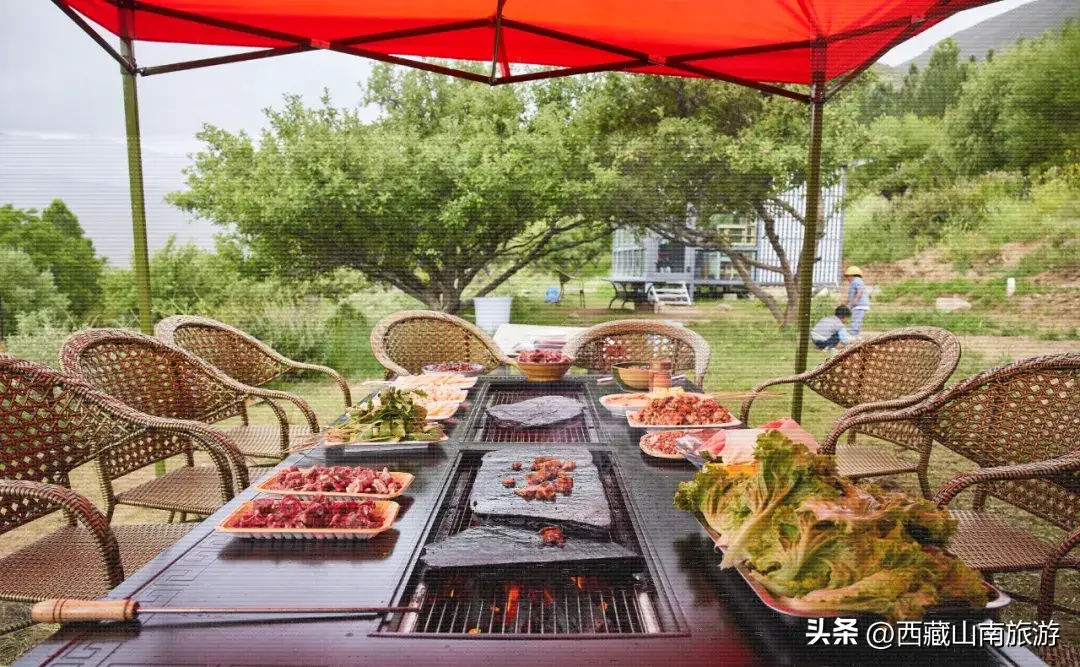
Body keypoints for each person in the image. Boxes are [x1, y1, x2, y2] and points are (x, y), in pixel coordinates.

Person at [844, 266, 870, 336]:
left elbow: (859, 291)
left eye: (847, 276)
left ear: (852, 274)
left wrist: (855, 300)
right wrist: (847, 303)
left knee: (855, 321)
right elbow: (852, 295)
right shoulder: (855, 281)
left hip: (859, 305)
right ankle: (856, 335)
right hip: (858, 305)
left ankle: (853, 334)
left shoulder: (856, 280)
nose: (847, 278)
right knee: (857, 321)